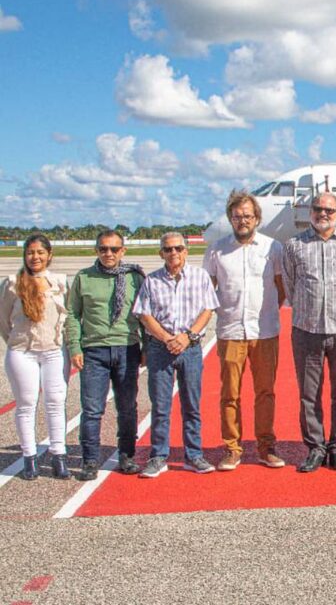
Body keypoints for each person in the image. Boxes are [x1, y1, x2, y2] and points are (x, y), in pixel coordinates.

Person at [283, 191, 336, 473]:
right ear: (310, 211)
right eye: (318, 209)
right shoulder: (294, 246)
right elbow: (291, 285)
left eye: (329, 210)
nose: (323, 214)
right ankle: (316, 447)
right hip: (307, 330)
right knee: (309, 394)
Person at [203, 190, 286, 471]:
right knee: (230, 394)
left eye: (247, 216)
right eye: (237, 216)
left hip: (265, 332)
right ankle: (232, 448)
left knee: (265, 392)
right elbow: (208, 289)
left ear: (257, 218)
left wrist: (268, 311)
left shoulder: (273, 248)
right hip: (230, 332)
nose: (243, 220)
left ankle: (266, 446)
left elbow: (281, 288)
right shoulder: (216, 250)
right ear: (230, 218)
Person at [133, 233, 219, 478]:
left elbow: (208, 309)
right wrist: (166, 338)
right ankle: (159, 456)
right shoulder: (151, 281)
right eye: (168, 249)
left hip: (190, 348)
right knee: (161, 406)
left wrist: (187, 336)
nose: (173, 253)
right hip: (161, 349)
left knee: (191, 405)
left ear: (186, 251)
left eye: (178, 248)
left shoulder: (200, 277)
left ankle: (194, 455)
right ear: (161, 253)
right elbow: (144, 314)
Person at [66, 230, 146, 481]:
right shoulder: (84, 277)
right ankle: (89, 460)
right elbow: (72, 315)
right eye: (103, 249)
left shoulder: (135, 278)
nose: (108, 253)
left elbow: (145, 312)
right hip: (94, 351)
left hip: (127, 348)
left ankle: (126, 455)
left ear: (123, 251)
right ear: (96, 250)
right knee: (92, 409)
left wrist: (146, 347)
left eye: (114, 249)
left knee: (127, 408)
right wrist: (74, 347)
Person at [0, 234, 70, 481]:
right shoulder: (11, 283)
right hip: (22, 352)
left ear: (49, 255)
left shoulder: (60, 282)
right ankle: (29, 457)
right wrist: (17, 343)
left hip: (53, 350)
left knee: (55, 402)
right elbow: (3, 320)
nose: (35, 257)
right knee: (26, 404)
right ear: (25, 255)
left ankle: (58, 454)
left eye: (40, 252)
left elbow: (67, 318)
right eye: (31, 252)